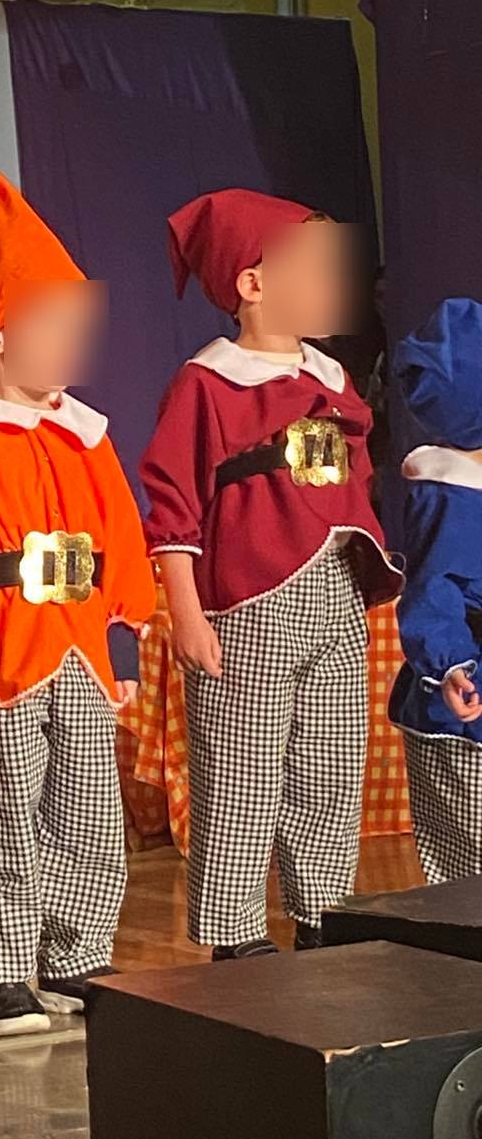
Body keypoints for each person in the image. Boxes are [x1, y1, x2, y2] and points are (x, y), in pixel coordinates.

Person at [0, 157, 156, 1038]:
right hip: (3, 653)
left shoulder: (89, 438)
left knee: (87, 809)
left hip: (81, 652)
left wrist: (121, 642)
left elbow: (122, 542)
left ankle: (75, 953)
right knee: (3, 812)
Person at [141, 188, 401, 961]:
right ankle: (234, 930)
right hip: (252, 598)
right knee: (241, 773)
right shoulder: (208, 384)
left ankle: (323, 908)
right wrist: (187, 614)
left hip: (332, 593)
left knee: (329, 763)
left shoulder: (334, 379)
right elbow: (173, 506)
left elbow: (352, 480)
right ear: (253, 283)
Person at [389, 298, 482, 882]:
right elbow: (432, 594)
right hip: (465, 701)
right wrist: (452, 665)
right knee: (467, 868)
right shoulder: (449, 495)